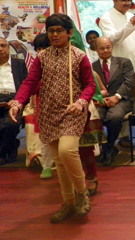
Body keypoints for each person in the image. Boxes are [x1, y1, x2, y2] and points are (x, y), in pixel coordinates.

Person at [9, 13, 96, 223]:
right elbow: (30, 82)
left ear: (69, 33)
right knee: (59, 161)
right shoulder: (42, 57)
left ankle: (82, 192)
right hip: (48, 112)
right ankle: (68, 203)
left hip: (72, 111)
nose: (55, 35)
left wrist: (81, 103)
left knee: (67, 151)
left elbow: (90, 85)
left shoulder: (78, 56)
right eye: (51, 31)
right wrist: (18, 102)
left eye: (59, 31)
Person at [98, 0, 135, 140]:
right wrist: (130, 24)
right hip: (119, 67)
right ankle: (124, 137)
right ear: (114, 0)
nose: (127, 3)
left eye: (129, 0)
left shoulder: (131, 15)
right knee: (122, 101)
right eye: (123, 0)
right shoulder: (106, 17)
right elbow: (112, 39)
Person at [92, 37, 134, 166]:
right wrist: (97, 99)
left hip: (121, 100)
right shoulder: (91, 66)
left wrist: (116, 97)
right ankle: (102, 147)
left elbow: (129, 83)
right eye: (102, 48)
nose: (105, 50)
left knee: (114, 117)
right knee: (94, 116)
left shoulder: (124, 62)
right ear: (96, 49)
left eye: (108, 47)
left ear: (112, 47)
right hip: (101, 101)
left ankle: (109, 147)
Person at [26, 34, 54, 178]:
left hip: (60, 106)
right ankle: (46, 166)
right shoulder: (35, 66)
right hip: (42, 106)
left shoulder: (58, 62)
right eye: (39, 48)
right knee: (44, 138)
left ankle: (61, 163)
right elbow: (33, 87)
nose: (42, 51)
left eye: (45, 48)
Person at [0, 37, 28, 165]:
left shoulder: (19, 64)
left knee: (10, 124)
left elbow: (27, 86)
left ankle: (3, 153)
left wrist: (16, 100)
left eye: (3, 45)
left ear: (8, 47)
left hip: (14, 100)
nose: (0, 49)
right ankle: (10, 147)